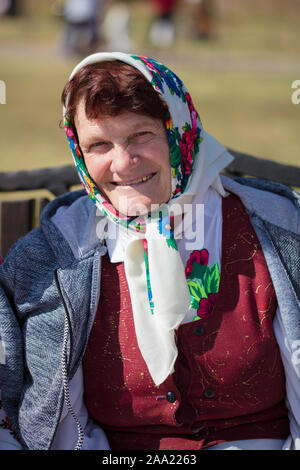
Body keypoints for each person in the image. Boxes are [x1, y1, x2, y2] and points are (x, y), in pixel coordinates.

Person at [0, 52, 299, 451]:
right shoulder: (51, 259)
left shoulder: (281, 230)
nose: (123, 162)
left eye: (141, 135)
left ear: (180, 132)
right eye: (99, 144)